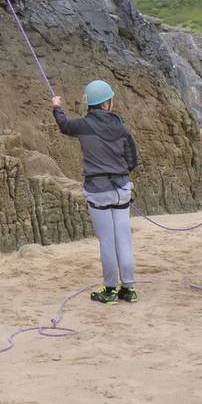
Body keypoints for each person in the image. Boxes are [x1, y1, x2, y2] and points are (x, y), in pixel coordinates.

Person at [52, 80, 138, 304]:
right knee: (124, 239)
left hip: (98, 191)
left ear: (91, 104)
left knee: (107, 241)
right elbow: (132, 160)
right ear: (107, 103)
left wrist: (56, 106)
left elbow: (64, 126)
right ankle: (128, 289)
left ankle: (110, 290)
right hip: (121, 189)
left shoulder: (83, 125)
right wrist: (118, 173)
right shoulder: (121, 127)